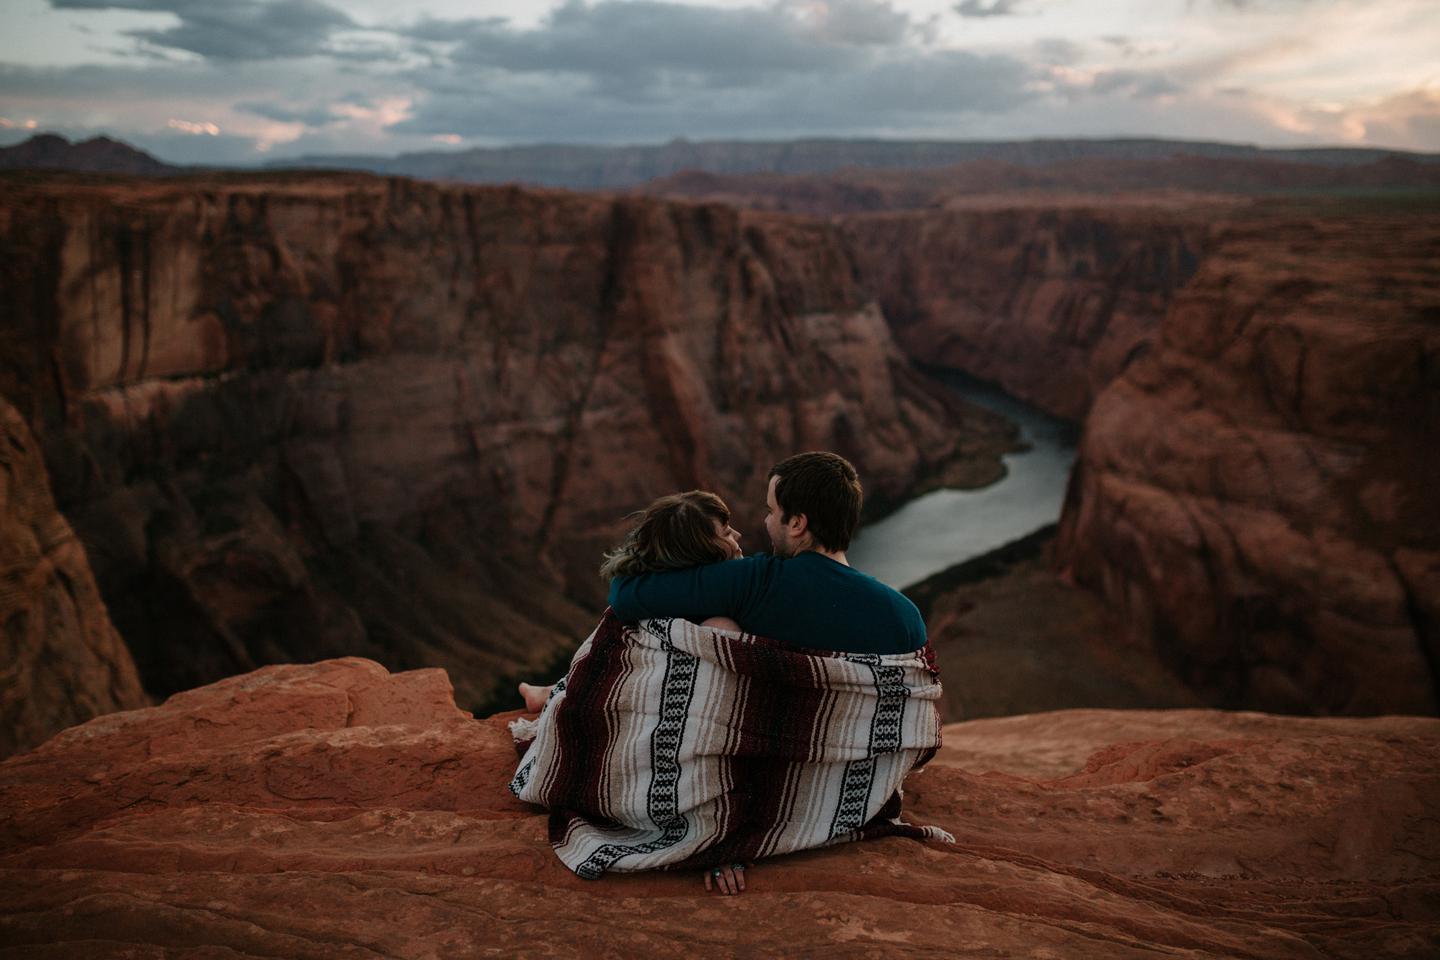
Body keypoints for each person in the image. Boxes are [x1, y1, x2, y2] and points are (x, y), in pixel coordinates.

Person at [607, 451, 926, 656]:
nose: (765, 521)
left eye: (771, 511)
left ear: (798, 523)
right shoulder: (905, 616)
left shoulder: (754, 583)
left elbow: (625, 595)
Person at [517, 489, 744, 713]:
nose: (737, 535)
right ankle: (556, 693)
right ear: (700, 550)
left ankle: (550, 692)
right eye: (725, 533)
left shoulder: (647, 588)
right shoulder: (686, 596)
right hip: (653, 682)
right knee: (721, 628)